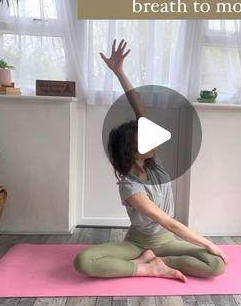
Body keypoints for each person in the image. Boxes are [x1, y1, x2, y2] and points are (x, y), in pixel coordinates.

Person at [74, 39, 228, 282]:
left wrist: (119, 72)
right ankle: (147, 267)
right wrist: (208, 242)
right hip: (137, 244)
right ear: (132, 152)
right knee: (83, 261)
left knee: (215, 264)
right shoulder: (129, 187)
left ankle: (160, 262)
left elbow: (139, 109)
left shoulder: (154, 165)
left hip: (166, 244)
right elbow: (168, 222)